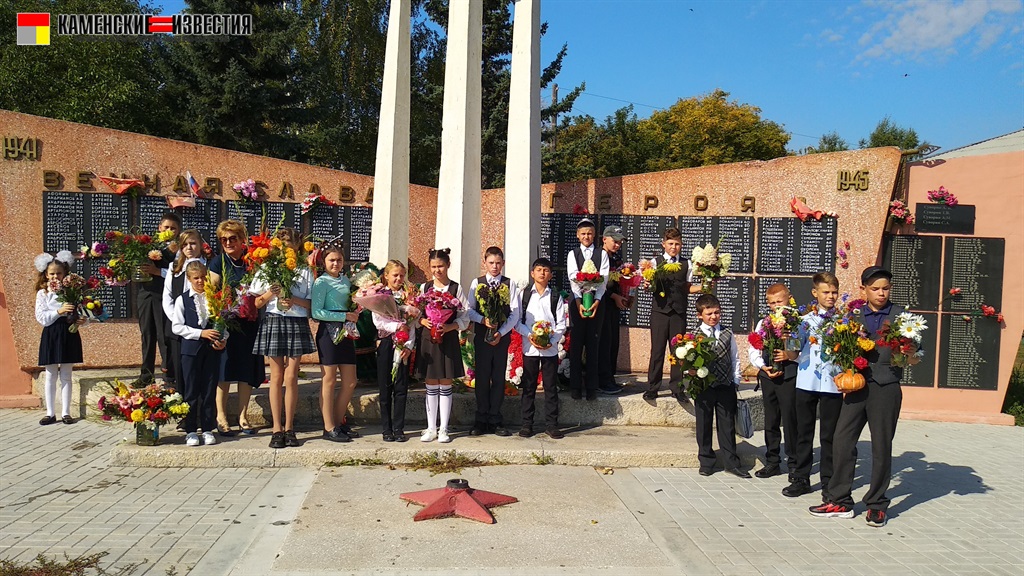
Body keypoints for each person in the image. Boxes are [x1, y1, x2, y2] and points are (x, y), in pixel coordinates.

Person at [812, 267, 905, 528]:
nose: (881, 293)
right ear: (864, 289)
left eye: (885, 288)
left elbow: (915, 352)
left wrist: (909, 353)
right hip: (857, 386)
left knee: (881, 446)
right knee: (842, 439)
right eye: (875, 288)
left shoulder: (900, 316)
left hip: (886, 388)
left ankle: (876, 504)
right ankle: (840, 500)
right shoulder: (852, 315)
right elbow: (837, 347)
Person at [250, 227, 314, 449]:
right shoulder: (268, 268)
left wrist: (294, 300)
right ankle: (276, 428)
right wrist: (272, 293)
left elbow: (311, 304)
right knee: (276, 376)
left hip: (296, 322)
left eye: (291, 246)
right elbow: (257, 302)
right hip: (274, 321)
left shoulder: (305, 270)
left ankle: (290, 427)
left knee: (292, 376)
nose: (287, 250)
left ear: (297, 247)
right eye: (282, 245)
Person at [785, 273, 844, 500]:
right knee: (804, 432)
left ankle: (829, 481)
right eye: (826, 292)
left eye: (834, 292)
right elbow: (792, 353)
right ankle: (801, 478)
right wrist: (788, 335)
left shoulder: (844, 321)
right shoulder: (804, 321)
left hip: (833, 384)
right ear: (815, 293)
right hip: (807, 381)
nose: (830, 296)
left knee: (829, 435)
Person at [209, 220, 265, 435]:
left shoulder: (252, 262)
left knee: (245, 371)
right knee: (224, 371)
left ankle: (242, 416)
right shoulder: (217, 263)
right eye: (224, 239)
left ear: (243, 240)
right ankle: (221, 416)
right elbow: (212, 293)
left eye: (233, 238)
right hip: (227, 324)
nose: (229, 242)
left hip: (249, 323)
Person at [311, 238, 363, 443]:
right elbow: (316, 311)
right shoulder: (321, 282)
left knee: (350, 381)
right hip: (328, 332)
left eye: (339, 260)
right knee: (329, 380)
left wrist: (356, 309)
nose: (335, 264)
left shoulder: (346, 281)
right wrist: (343, 316)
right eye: (332, 260)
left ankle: (338, 421)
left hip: (346, 331)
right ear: (324, 261)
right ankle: (328, 426)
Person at [692, 293, 749, 478]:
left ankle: (731, 462)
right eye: (709, 314)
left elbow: (735, 357)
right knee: (704, 424)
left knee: (727, 425)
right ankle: (706, 461)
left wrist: (736, 380)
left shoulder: (727, 333)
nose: (714, 317)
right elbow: (687, 362)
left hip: (725, 385)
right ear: (700, 315)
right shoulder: (693, 335)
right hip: (704, 386)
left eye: (717, 312)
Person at [466, 246, 521, 436]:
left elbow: (515, 312)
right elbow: (469, 309)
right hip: (482, 336)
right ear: (485, 263)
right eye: (491, 263)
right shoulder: (477, 283)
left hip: (501, 338)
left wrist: (502, 332)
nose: (495, 266)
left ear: (503, 263)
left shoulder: (508, 284)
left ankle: (496, 418)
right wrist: (482, 319)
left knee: (498, 377)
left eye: (498, 263)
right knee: (482, 377)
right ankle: (481, 419)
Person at [416, 248, 469, 444]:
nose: (437, 270)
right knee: (430, 383)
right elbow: (416, 312)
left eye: (440, 266)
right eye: (433, 267)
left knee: (446, 382)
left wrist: (451, 326)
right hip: (428, 339)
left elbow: (465, 315)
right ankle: (431, 428)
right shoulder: (425, 288)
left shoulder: (456, 289)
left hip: (448, 338)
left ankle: (444, 429)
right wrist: (422, 322)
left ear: (448, 265)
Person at [170, 261, 226, 447]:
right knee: (191, 390)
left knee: (209, 389)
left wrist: (223, 338)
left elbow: (223, 323)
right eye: (196, 278)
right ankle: (191, 430)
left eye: (203, 277)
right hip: (190, 351)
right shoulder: (182, 299)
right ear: (189, 279)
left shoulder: (214, 298)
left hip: (211, 351)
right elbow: (177, 327)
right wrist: (200, 333)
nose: (201, 281)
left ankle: (208, 428)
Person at [644, 227, 702, 403]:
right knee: (657, 350)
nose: (673, 247)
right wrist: (647, 286)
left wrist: (703, 287)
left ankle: (677, 388)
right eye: (670, 243)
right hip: (660, 312)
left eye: (677, 244)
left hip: (679, 312)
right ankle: (652, 388)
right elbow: (649, 285)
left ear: (681, 245)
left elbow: (687, 287)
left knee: (678, 351)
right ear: (663, 244)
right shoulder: (655, 263)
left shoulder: (687, 264)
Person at [748, 283, 799, 480]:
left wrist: (788, 355)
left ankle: (794, 463)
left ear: (789, 298)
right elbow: (754, 348)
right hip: (769, 375)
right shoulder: (764, 323)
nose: (777, 305)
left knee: (790, 419)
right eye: (772, 302)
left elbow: (798, 349)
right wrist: (763, 366)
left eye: (780, 301)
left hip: (789, 375)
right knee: (771, 420)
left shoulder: (795, 321)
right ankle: (773, 461)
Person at [515, 258, 568, 439]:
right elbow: (518, 322)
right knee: (528, 386)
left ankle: (551, 424)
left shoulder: (555, 297)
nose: (542, 273)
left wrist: (550, 341)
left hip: (549, 349)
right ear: (532, 273)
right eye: (539, 270)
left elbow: (561, 324)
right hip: (530, 348)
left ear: (551, 275)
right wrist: (530, 335)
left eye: (546, 270)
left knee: (550, 386)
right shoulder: (524, 296)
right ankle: (526, 424)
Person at [33, 251, 85, 425]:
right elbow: (41, 317)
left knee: (66, 375)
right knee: (50, 374)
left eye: (59, 273)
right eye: (52, 273)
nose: (56, 276)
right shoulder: (43, 293)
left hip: (68, 332)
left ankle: (65, 412)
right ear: (46, 275)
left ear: (65, 274)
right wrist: (58, 311)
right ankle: (50, 412)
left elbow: (79, 311)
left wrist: (81, 320)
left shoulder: (72, 291)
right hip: (52, 333)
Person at [372, 259, 418, 442]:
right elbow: (378, 321)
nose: (399, 278)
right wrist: (398, 327)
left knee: (401, 387)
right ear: (386, 276)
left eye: (402, 275)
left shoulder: (409, 296)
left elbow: (412, 324)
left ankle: (399, 428)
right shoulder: (380, 296)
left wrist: (408, 346)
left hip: (403, 345)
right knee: (385, 387)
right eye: (395, 275)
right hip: (386, 343)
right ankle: (386, 428)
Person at [566, 218, 609, 401]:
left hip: (596, 304)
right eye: (583, 233)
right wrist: (579, 302)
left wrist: (597, 300)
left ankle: (592, 387)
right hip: (577, 304)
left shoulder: (602, 254)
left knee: (593, 345)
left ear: (595, 235)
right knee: (576, 345)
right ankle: (575, 386)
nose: (586, 236)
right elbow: (572, 277)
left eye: (590, 233)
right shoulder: (573, 254)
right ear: (578, 235)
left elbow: (604, 278)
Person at [137, 212, 180, 384]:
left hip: (164, 296)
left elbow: (179, 271)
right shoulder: (147, 245)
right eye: (166, 227)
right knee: (147, 335)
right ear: (159, 228)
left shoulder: (178, 249)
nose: (169, 230)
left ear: (178, 231)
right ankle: (146, 375)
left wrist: (157, 272)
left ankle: (169, 375)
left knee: (164, 336)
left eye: (173, 228)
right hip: (145, 294)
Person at [161, 230, 206, 393]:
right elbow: (168, 295)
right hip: (177, 326)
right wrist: (176, 318)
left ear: (200, 245)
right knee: (181, 370)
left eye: (193, 243)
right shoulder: (174, 267)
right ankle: (184, 406)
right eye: (185, 244)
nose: (189, 247)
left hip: (202, 326)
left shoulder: (207, 265)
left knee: (202, 371)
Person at [598, 225, 629, 395]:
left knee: (613, 343)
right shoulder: (598, 257)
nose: (617, 244)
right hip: (601, 304)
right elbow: (596, 283)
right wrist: (614, 296)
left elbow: (619, 280)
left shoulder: (616, 259)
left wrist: (624, 295)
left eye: (620, 242)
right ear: (604, 239)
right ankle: (602, 380)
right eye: (614, 241)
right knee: (604, 343)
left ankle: (610, 377)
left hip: (614, 307)